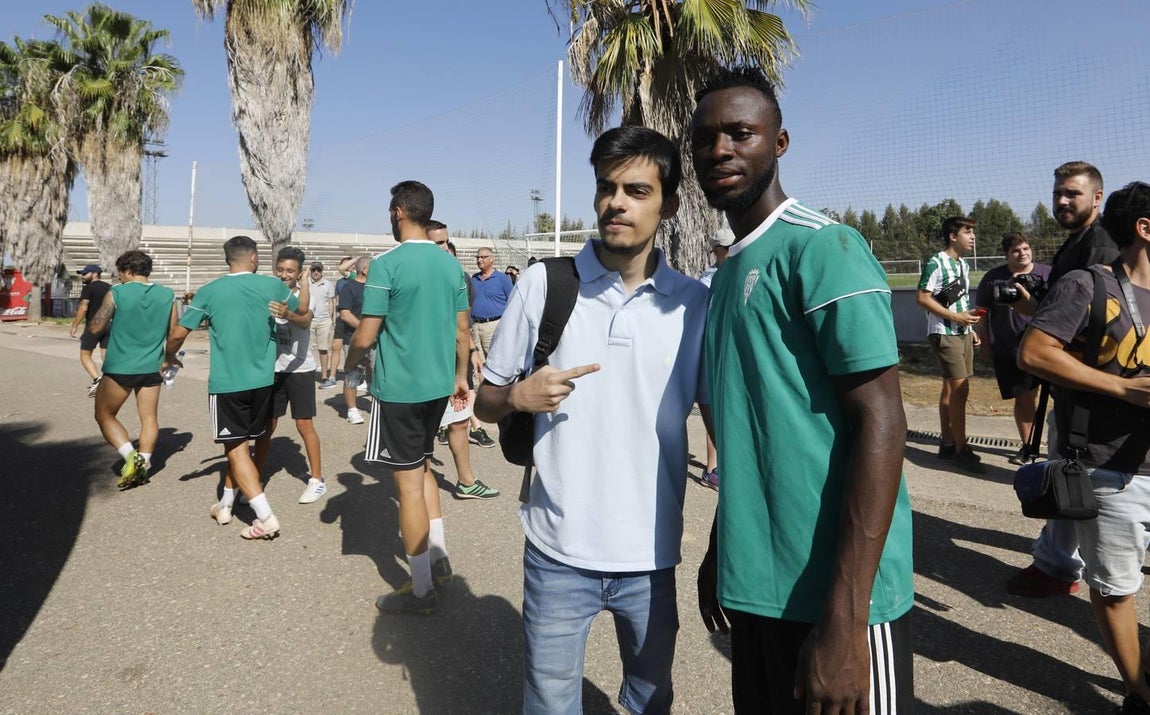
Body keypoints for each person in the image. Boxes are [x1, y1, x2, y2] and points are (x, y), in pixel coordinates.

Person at [691, 65, 913, 714]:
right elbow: (755, 428)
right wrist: (721, 545)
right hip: (758, 589)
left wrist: (846, 620)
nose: (720, 150)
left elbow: (883, 421)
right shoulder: (729, 272)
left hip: (838, 601)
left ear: (779, 143)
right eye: (705, 139)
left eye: (740, 133)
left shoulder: (824, 247)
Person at [476, 125, 709, 714]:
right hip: (557, 551)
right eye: (607, 188)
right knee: (550, 705)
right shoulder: (543, 285)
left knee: (650, 702)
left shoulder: (693, 304)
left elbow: (723, 419)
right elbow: (484, 401)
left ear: (670, 204)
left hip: (652, 556)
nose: (616, 203)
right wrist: (517, 397)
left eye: (636, 190)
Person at [1017, 181, 1150, 715]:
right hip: (1114, 470)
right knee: (1116, 587)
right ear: (1145, 228)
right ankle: (1140, 690)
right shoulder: (1088, 285)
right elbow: (1034, 351)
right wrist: (1122, 387)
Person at [345, 180, 470, 615]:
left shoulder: (386, 264)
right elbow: (462, 331)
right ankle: (439, 558)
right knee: (423, 468)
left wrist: (349, 363)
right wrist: (460, 376)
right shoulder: (450, 264)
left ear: (399, 211)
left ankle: (420, 591)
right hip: (438, 386)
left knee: (408, 483)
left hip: (399, 390)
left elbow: (366, 332)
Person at [1007, 161, 1121, 598]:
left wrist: (1036, 316)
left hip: (1095, 383)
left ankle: (1064, 568)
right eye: (1058, 193)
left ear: (1097, 197)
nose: (1061, 201)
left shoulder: (1101, 245)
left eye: (1072, 193)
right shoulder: (1078, 242)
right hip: (1080, 382)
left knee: (1075, 472)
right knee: (1067, 466)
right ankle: (1057, 561)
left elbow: (1096, 321)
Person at [165, 235, 303, 541]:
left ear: (228, 259)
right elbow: (302, 313)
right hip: (264, 381)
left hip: (228, 383)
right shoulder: (273, 286)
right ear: (253, 258)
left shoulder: (210, 291)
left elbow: (177, 334)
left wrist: (169, 356)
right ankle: (225, 504)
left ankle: (265, 517)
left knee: (237, 450)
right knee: (238, 448)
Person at [87, 250, 175, 489]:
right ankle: (144, 462)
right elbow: (174, 332)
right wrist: (169, 358)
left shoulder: (116, 292)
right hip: (152, 367)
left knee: (104, 414)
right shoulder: (168, 295)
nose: (120, 278)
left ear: (128, 270)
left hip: (120, 366)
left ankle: (131, 457)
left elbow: (96, 327)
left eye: (120, 273)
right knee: (149, 418)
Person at [427, 221, 499, 500]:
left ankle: (466, 482)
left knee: (459, 419)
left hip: (455, 362)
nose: (444, 248)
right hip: (425, 363)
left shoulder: (462, 277)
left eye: (446, 242)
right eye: (437, 243)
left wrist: (471, 351)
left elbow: (463, 322)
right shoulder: (413, 275)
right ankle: (420, 483)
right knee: (427, 425)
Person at [974, 232, 1051, 462]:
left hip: (1047, 348)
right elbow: (981, 314)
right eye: (1016, 250)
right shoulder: (993, 278)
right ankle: (1028, 447)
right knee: (1025, 398)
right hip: (1010, 350)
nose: (1022, 253)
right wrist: (985, 344)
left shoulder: (1048, 274)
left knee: (1056, 398)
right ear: (1006, 254)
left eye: (1026, 248)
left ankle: (1058, 447)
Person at [917, 216, 985, 473]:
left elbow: (959, 300)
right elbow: (922, 298)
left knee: (950, 388)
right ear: (952, 236)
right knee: (960, 391)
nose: (972, 237)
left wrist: (970, 326)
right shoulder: (936, 262)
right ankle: (961, 449)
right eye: (968, 232)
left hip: (962, 331)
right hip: (944, 333)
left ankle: (947, 443)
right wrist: (956, 318)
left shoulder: (964, 266)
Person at [270, 247, 327, 504]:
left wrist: (288, 314)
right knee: (266, 426)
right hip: (274, 369)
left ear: (300, 272)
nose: (284, 275)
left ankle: (316, 480)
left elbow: (304, 320)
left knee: (304, 425)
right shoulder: (270, 293)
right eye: (280, 269)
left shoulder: (309, 294)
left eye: (290, 271)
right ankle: (255, 478)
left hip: (301, 370)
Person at [698, 226, 734, 490]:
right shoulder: (708, 281)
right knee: (712, 405)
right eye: (728, 250)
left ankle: (723, 467)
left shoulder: (735, 273)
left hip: (730, 353)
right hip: (711, 351)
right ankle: (712, 468)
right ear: (718, 252)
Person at [70, 264, 112, 397]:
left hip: (93, 325)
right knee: (106, 354)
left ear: (94, 274)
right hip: (110, 324)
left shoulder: (88, 288)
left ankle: (97, 379)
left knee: (85, 355)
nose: (82, 276)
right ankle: (108, 381)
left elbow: (83, 307)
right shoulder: (110, 288)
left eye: (85, 274)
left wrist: (75, 325)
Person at [338, 256, 370, 424]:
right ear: (364, 270)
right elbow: (345, 314)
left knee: (375, 371)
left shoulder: (375, 288)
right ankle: (352, 409)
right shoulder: (349, 288)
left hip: (375, 340)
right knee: (352, 373)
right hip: (353, 339)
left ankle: (376, 403)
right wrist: (365, 329)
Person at [470, 245, 513, 355]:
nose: (479, 260)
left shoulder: (502, 278)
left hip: (493, 326)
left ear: (491, 259)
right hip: (475, 326)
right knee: (477, 362)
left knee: (494, 360)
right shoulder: (474, 279)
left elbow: (513, 302)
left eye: (483, 257)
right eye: (477, 257)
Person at [323, 255, 357, 390]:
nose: (349, 266)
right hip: (341, 317)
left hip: (353, 317)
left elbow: (342, 268)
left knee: (353, 348)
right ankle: (332, 377)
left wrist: (356, 259)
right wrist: (336, 313)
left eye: (351, 264)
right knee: (336, 346)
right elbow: (337, 298)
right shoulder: (341, 282)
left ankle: (358, 378)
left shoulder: (354, 277)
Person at [309, 261, 338, 389]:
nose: (316, 272)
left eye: (318, 270)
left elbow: (331, 302)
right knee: (306, 348)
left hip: (324, 320)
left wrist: (330, 319)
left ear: (322, 271)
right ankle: (306, 374)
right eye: (314, 270)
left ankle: (324, 376)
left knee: (323, 348)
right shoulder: (305, 282)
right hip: (309, 319)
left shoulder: (328, 284)